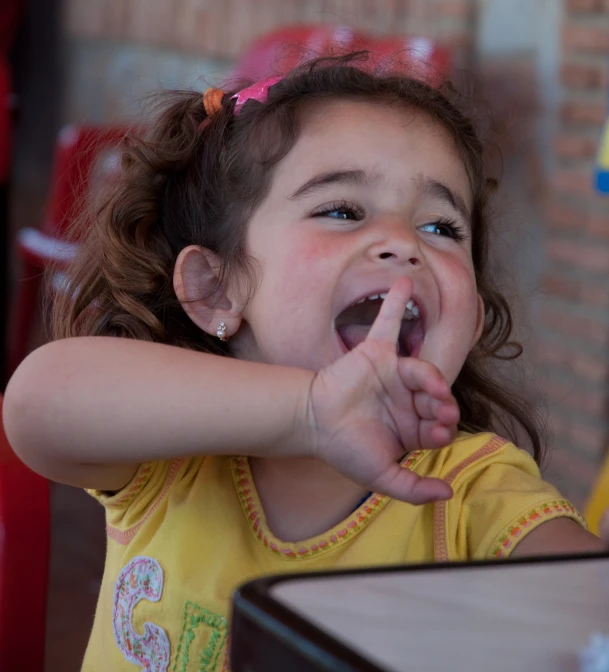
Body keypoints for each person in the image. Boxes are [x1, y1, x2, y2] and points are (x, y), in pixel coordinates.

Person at [3, 54, 605, 671]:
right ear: (216, 290)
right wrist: (310, 412)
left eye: (441, 226)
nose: (404, 242)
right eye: (343, 210)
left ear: (470, 319)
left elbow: (587, 608)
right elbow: (35, 402)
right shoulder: (171, 459)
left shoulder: (473, 491)